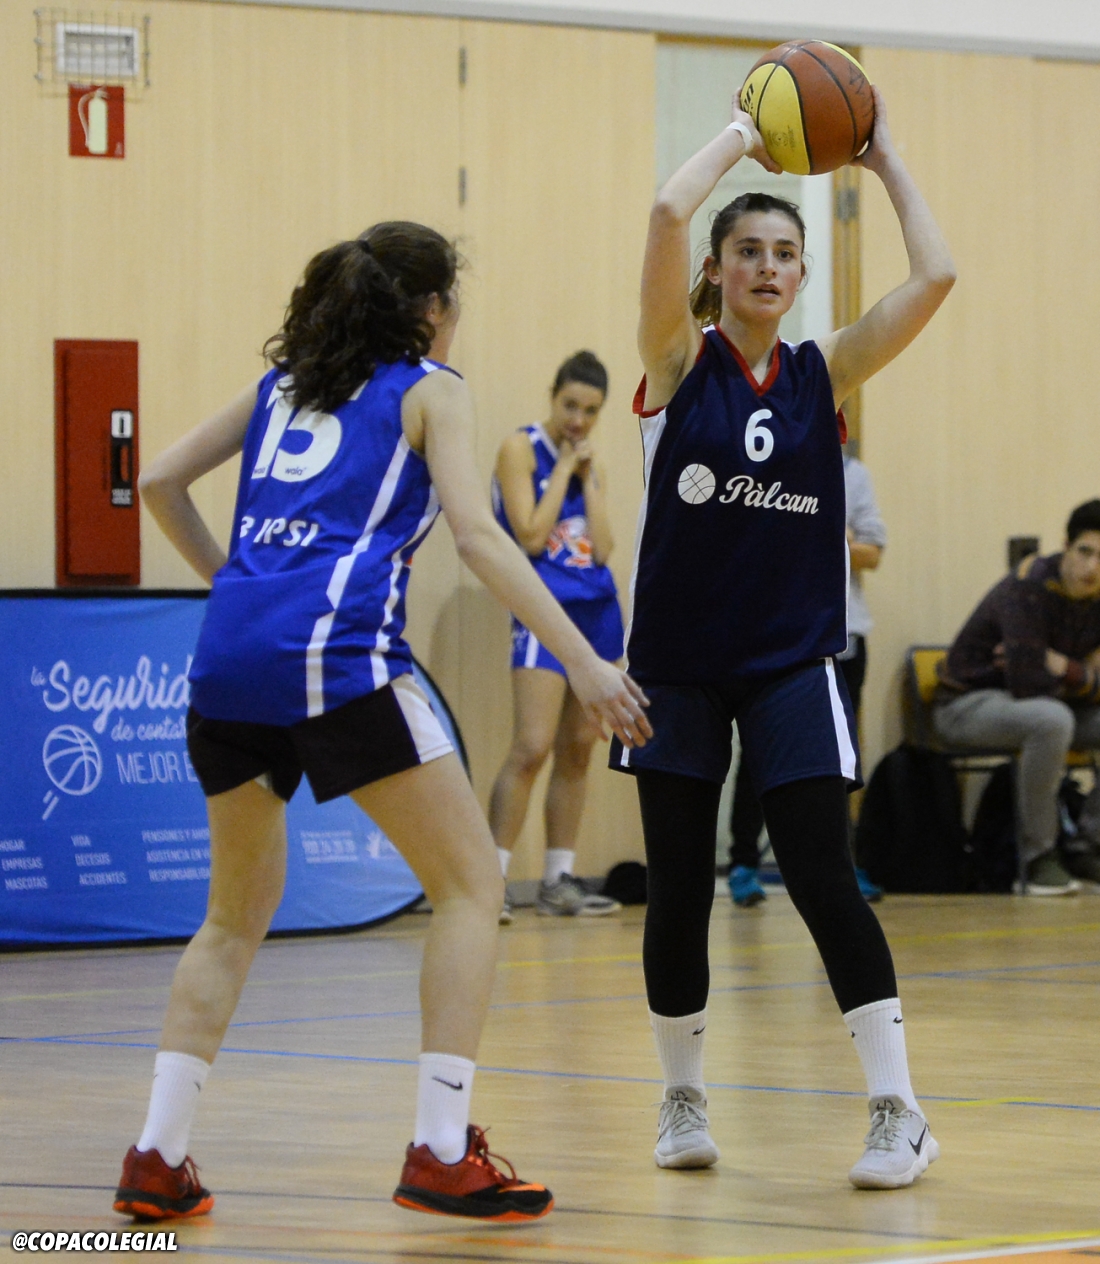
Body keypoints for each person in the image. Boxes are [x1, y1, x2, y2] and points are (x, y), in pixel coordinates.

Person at [111, 222, 650, 1224]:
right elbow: (480, 538)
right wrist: (583, 659)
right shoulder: (430, 388)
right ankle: (440, 1150)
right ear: (433, 309)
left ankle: (156, 1154)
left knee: (230, 919)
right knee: (471, 885)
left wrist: (234, 583)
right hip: (337, 662)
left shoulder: (282, 387)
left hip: (227, 664)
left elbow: (155, 481)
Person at [609, 88, 955, 1188]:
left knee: (821, 877)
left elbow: (935, 277)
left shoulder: (823, 372)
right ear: (716, 271)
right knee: (678, 889)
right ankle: (681, 1098)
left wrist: (883, 158)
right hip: (674, 670)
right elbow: (667, 212)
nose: (766, 266)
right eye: (748, 251)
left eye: (784, 254)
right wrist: (743, 136)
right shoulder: (677, 360)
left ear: (802, 275)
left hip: (789, 668)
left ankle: (898, 1109)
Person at [488, 351, 625, 922]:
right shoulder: (520, 449)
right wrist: (566, 470)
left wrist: (588, 479)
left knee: (579, 748)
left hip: (596, 614)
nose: (578, 420)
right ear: (553, 395)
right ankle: (489, 884)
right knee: (532, 746)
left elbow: (605, 550)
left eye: (591, 411)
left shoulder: (592, 463)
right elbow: (529, 535)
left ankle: (557, 880)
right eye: (571, 405)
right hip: (543, 611)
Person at [727, 450, 887, 907]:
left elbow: (872, 553)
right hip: (771, 629)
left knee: (841, 757)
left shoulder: (854, 474)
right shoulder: (761, 459)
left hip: (842, 633)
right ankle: (743, 862)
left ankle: (843, 863)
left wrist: (818, 535)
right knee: (756, 751)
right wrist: (830, 535)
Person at [933, 499, 1100, 894]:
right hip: (966, 705)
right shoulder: (1029, 584)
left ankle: (1088, 847)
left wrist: (1063, 667)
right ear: (1065, 546)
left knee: (1052, 716)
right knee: (1051, 720)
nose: (1093, 567)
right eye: (1085, 552)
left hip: (1048, 704)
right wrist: (1083, 675)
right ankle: (1038, 858)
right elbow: (1028, 683)